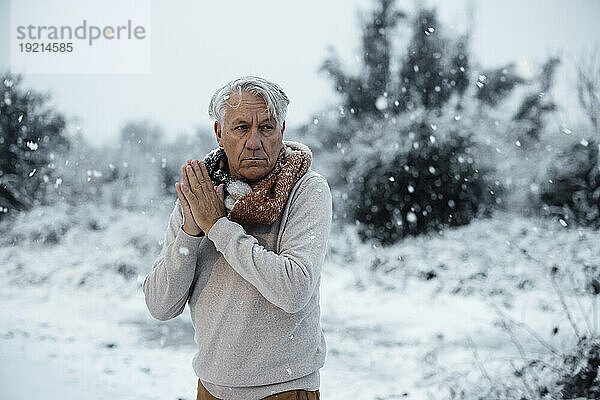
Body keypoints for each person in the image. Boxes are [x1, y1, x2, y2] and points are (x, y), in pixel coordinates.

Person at [142, 76, 332, 400]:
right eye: (241, 127)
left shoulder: (307, 190)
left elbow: (294, 289)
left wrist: (218, 227)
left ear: (283, 131)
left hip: (286, 390)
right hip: (212, 390)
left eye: (267, 128)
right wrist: (190, 233)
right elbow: (160, 305)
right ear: (219, 133)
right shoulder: (200, 194)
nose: (254, 141)